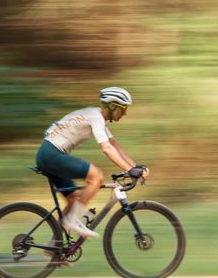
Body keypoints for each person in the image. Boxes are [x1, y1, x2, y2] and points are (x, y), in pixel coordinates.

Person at [36, 87, 147, 239]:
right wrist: (129, 169)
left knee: (74, 198)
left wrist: (134, 167)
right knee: (96, 176)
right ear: (113, 106)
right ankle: (73, 221)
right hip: (51, 154)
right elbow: (106, 148)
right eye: (123, 109)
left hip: (49, 154)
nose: (125, 113)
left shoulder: (96, 116)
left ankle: (54, 247)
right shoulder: (95, 117)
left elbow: (114, 144)